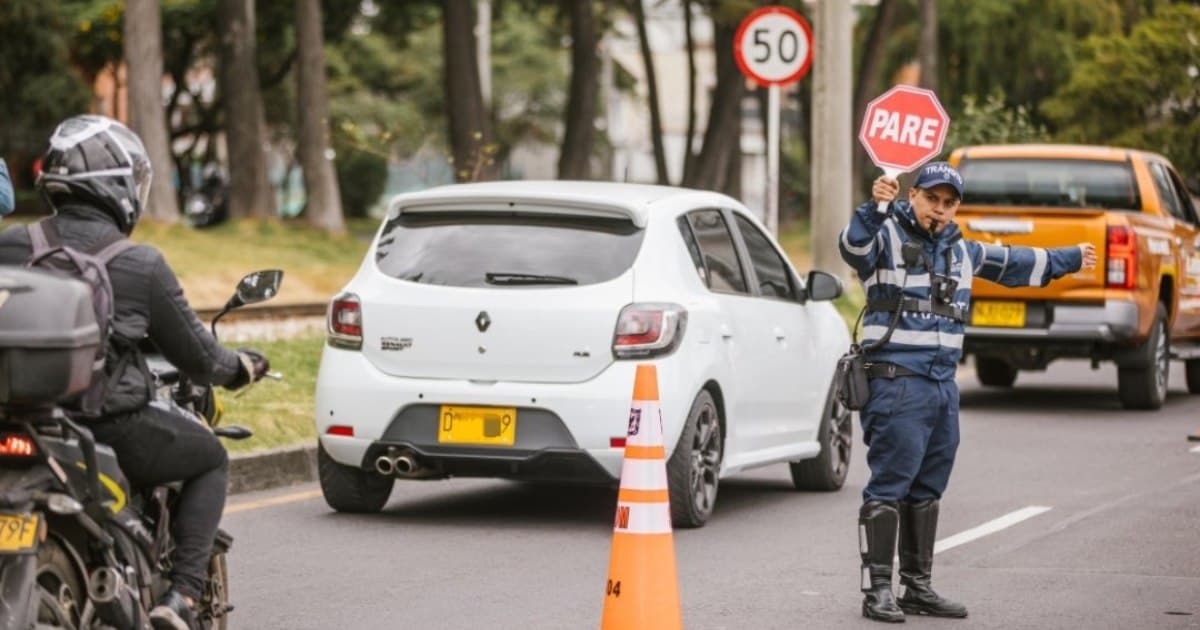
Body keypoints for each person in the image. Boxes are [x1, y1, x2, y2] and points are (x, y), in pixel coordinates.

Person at [0, 115, 269, 630]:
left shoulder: (15, 245)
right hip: (106, 425)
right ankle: (182, 598)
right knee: (210, 456)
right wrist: (243, 368)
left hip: (23, 419)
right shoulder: (140, 264)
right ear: (118, 185)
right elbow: (201, 359)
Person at [839, 162, 1096, 623]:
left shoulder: (963, 251)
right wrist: (876, 206)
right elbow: (852, 246)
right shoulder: (885, 238)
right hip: (898, 381)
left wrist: (1072, 257)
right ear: (912, 195)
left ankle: (916, 587)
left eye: (948, 203)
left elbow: (1017, 265)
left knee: (927, 489)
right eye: (931, 199)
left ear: (956, 207)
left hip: (942, 386)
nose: (938, 210)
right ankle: (876, 590)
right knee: (889, 486)